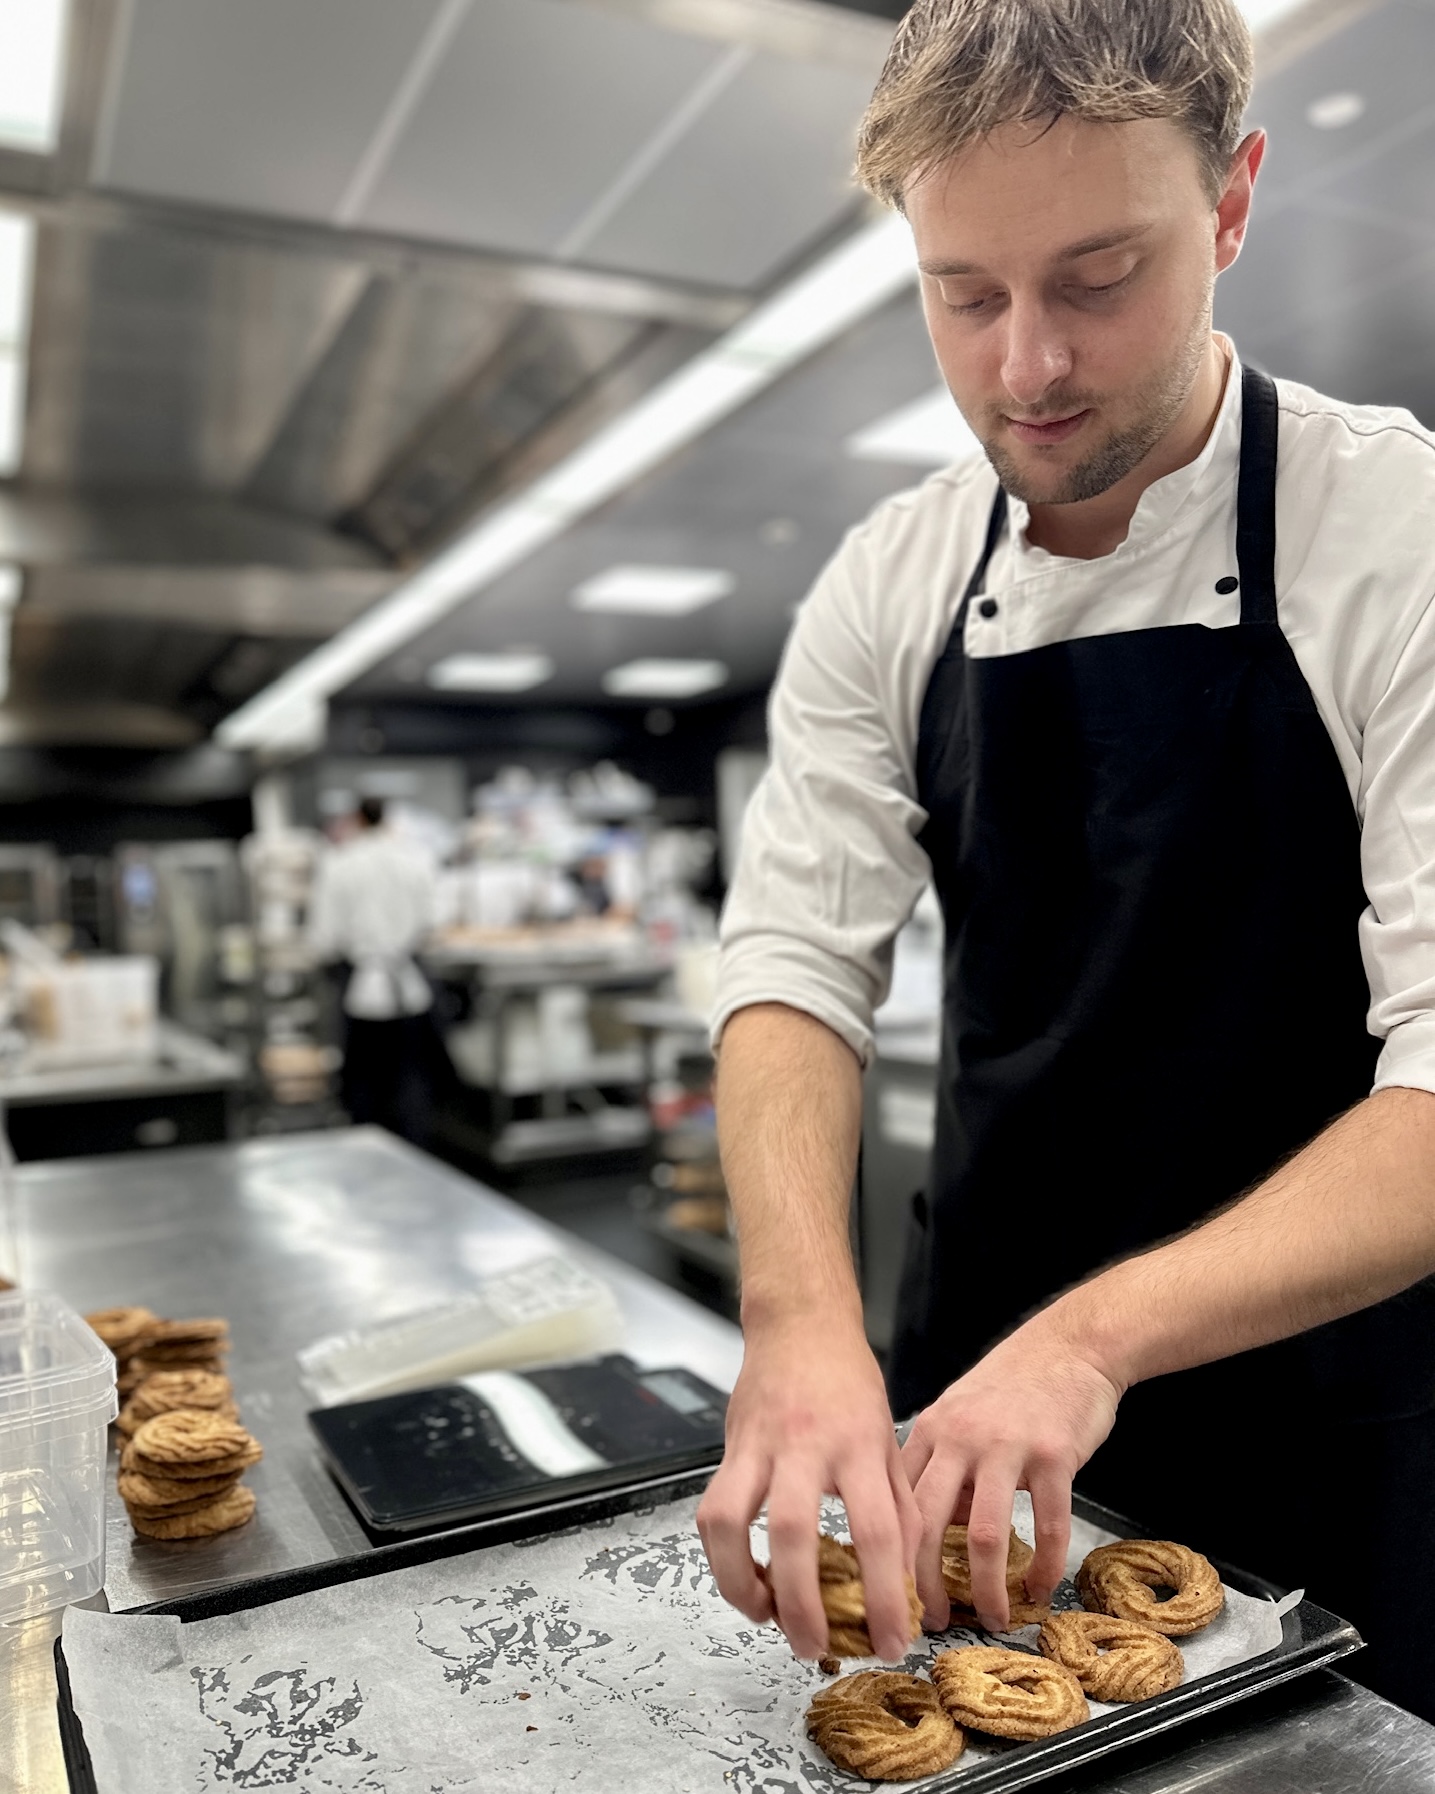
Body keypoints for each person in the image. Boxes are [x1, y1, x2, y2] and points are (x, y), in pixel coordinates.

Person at [697, 0, 1435, 1722]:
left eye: (1098, 277)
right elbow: (792, 960)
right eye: (963, 294)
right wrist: (796, 1316)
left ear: (1231, 204)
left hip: (1323, 1413)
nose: (1026, 364)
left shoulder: (1393, 535)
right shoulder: (892, 579)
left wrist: (1094, 1337)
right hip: (970, 1421)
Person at [309, 796, 442, 1146]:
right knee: (411, 1069)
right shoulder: (416, 859)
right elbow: (432, 922)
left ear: (357, 818)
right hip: (407, 976)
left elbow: (324, 937)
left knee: (362, 1073)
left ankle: (365, 1146)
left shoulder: (339, 862)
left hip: (359, 978)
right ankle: (416, 1145)